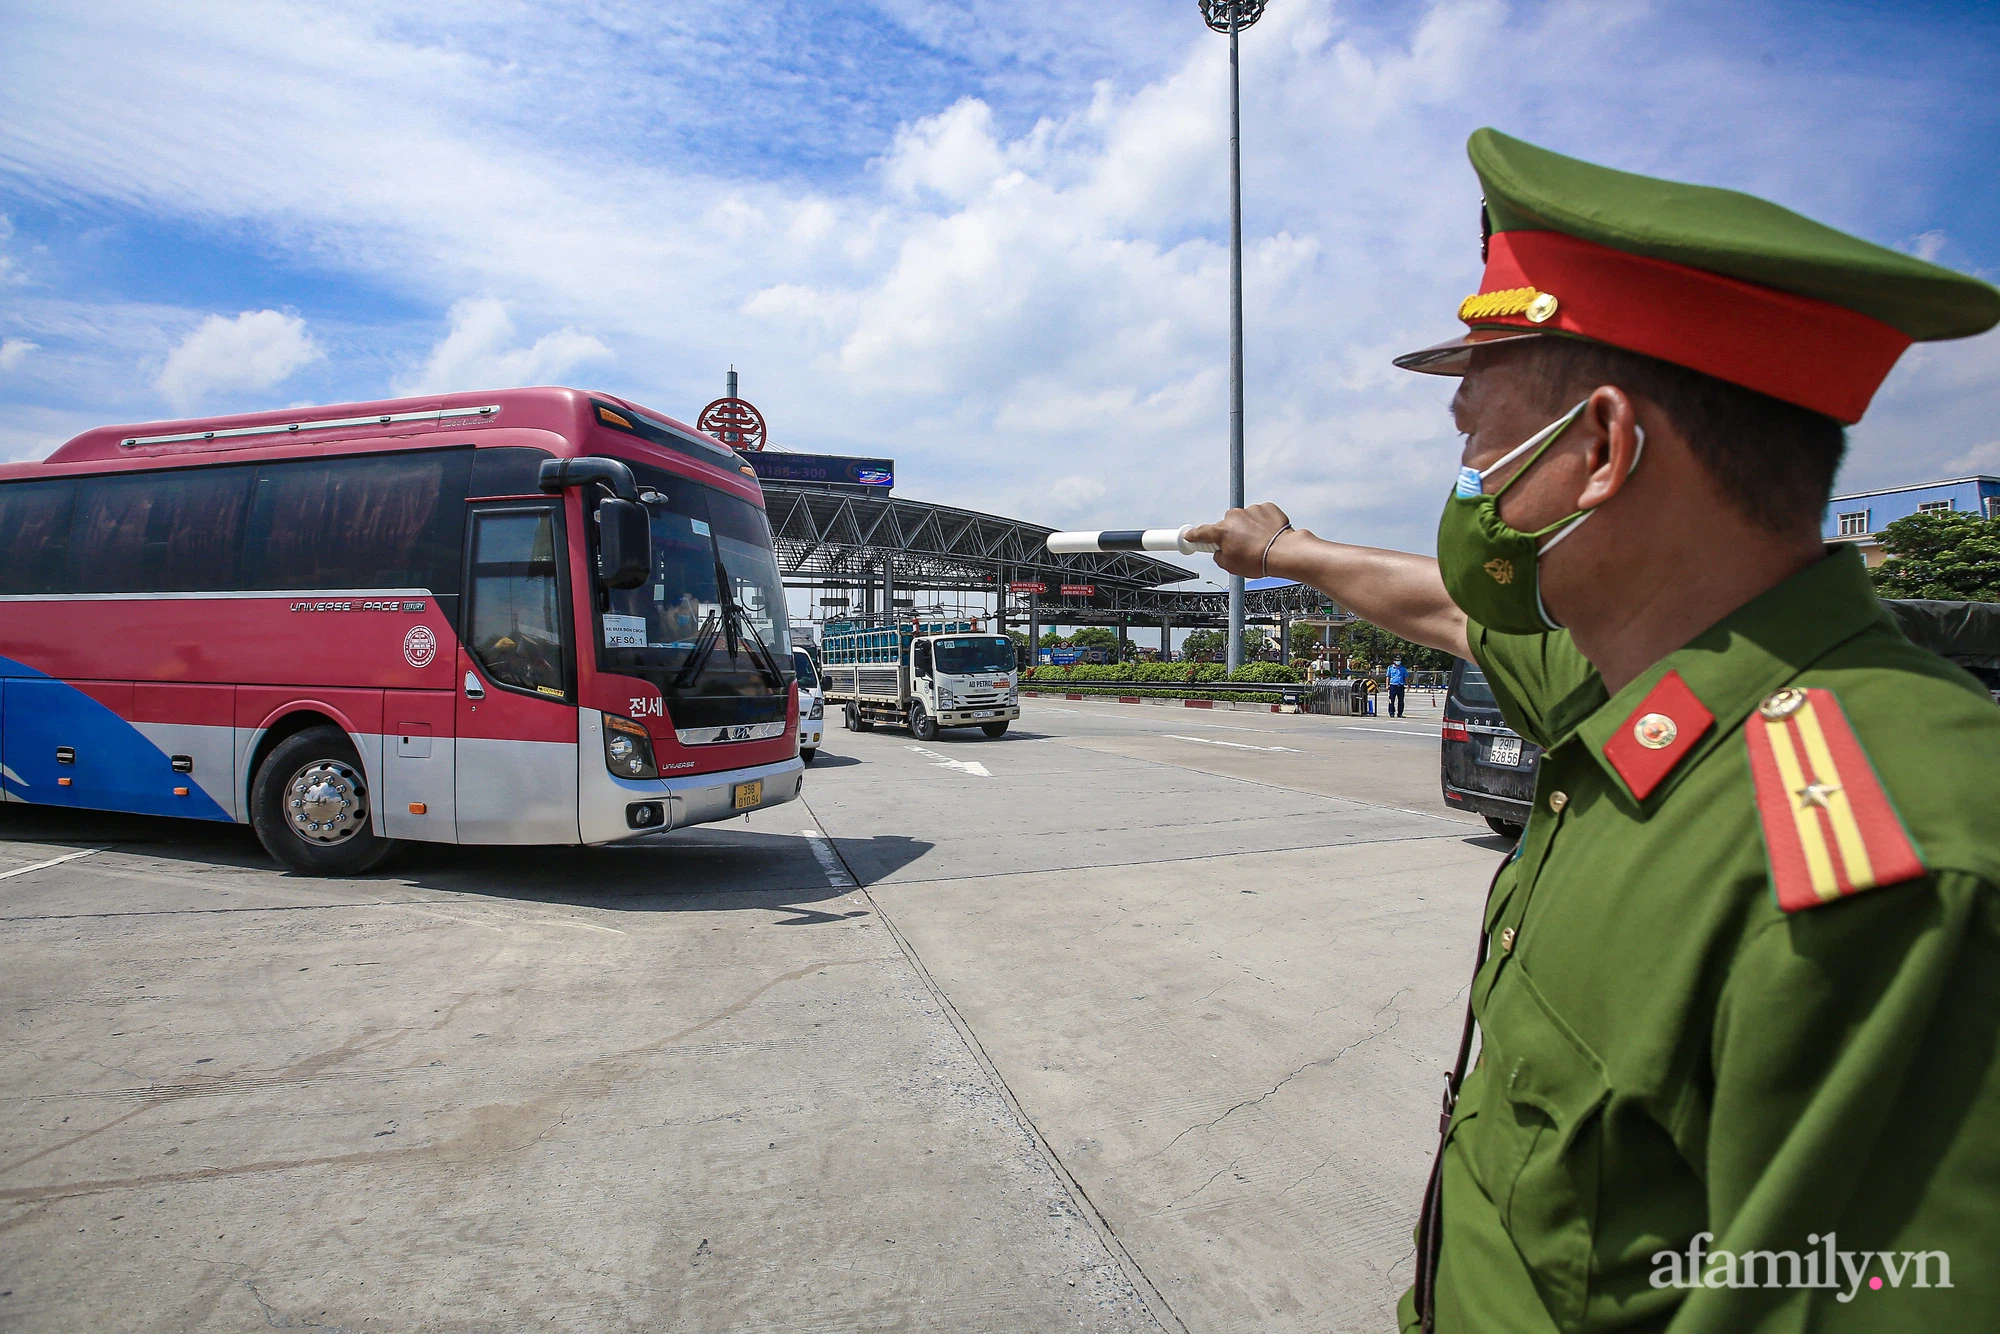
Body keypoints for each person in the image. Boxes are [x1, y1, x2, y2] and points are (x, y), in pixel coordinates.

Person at [1189, 128, 2000, 1332]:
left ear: (1602, 449)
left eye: (1473, 440)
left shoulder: (1892, 864)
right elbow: (1445, 606)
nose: (1462, 476)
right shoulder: (1638, 685)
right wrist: (1281, 551)